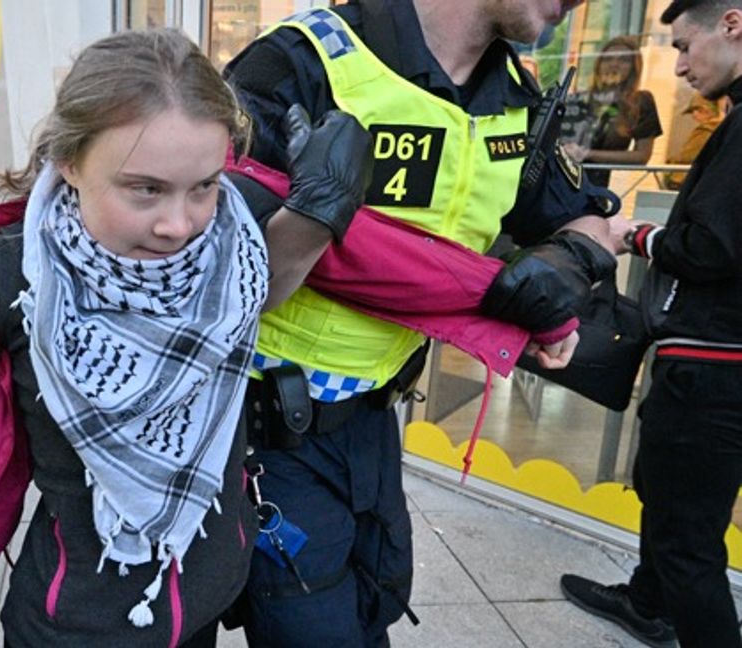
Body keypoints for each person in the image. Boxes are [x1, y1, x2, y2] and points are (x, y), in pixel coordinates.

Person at [221, 1, 628, 645]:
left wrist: (570, 257)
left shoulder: (513, 101)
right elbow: (202, 254)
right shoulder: (306, 58)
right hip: (265, 431)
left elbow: (591, 218)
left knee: (374, 606)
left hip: (377, 430)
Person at [0, 28, 281, 647]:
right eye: (145, 188)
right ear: (69, 159)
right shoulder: (8, 274)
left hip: (201, 600)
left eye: (202, 185)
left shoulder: (235, 242)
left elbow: (378, 259)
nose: (179, 225)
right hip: (75, 625)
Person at [560, 1, 742, 646]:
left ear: (732, 24)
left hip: (714, 363)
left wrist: (637, 234)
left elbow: (713, 247)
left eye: (686, 45)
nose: (682, 64)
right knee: (681, 509)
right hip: (719, 361)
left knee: (687, 544)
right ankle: (646, 600)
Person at [567, 35, 664, 188]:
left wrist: (588, 154)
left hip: (596, 185)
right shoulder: (579, 99)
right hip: (561, 179)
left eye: (624, 60)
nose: (614, 64)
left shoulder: (639, 102)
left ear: (634, 67)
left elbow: (642, 156)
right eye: (608, 59)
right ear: (599, 63)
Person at [661, 93, 724, 189]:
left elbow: (688, 155)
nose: (694, 115)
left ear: (707, 110)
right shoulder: (725, 127)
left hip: (685, 179)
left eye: (698, 110)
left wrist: (671, 160)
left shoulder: (704, 130)